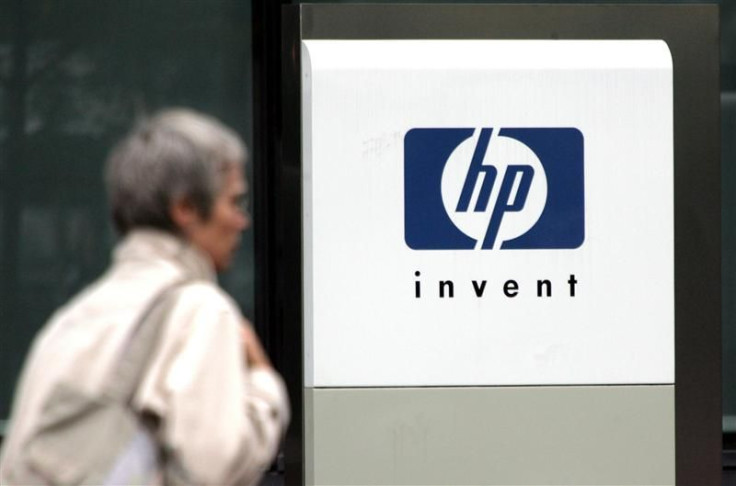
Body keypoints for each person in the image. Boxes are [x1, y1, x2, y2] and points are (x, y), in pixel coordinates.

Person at [0, 109, 289, 485]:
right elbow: (215, 469)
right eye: (234, 202)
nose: (242, 221)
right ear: (185, 208)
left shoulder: (74, 317)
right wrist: (264, 386)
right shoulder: (199, 310)